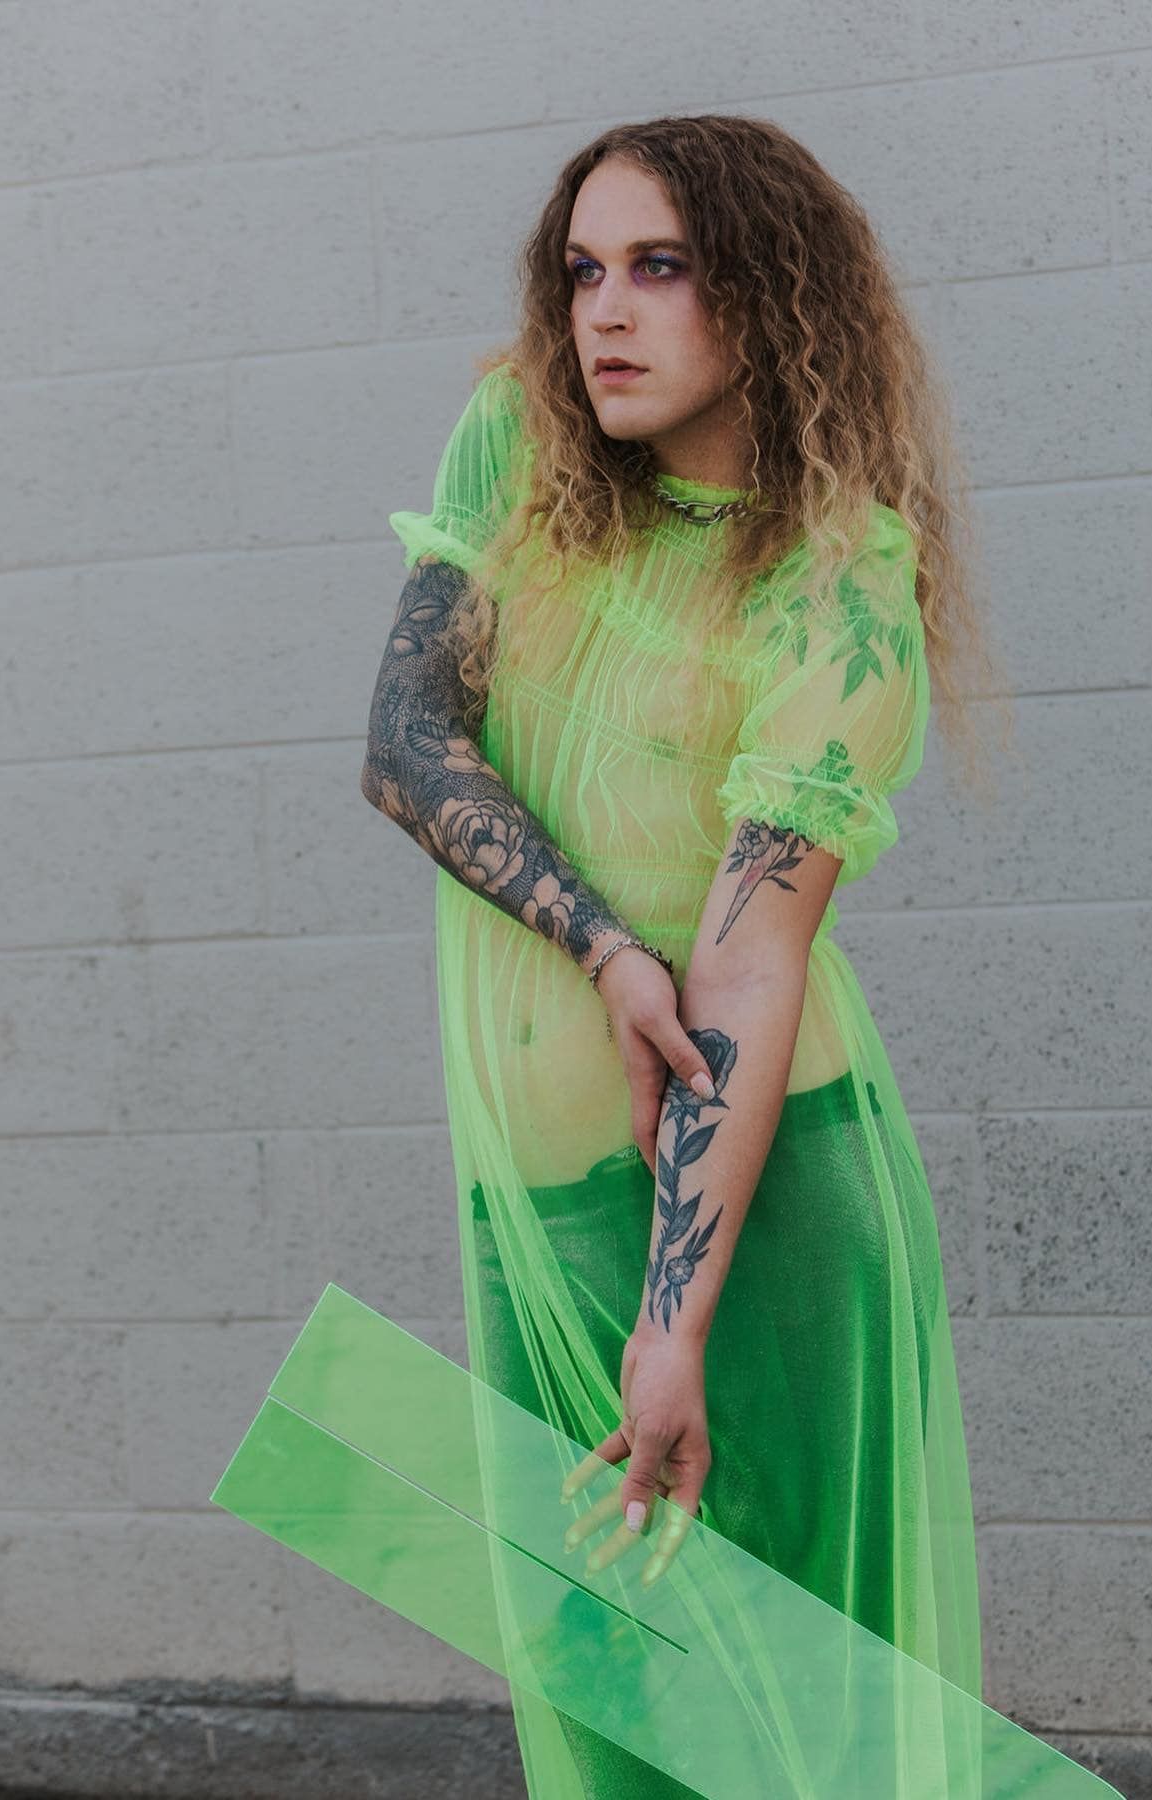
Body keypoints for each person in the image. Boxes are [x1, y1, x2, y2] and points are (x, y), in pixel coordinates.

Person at [363, 112, 1010, 1800]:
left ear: (774, 296)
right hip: (546, 1217)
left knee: (794, 1750)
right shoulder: (517, 440)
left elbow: (747, 965)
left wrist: (675, 1330)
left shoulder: (839, 573)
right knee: (607, 1722)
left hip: (753, 1237)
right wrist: (598, 948)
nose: (606, 312)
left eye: (662, 266)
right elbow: (405, 744)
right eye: (585, 269)